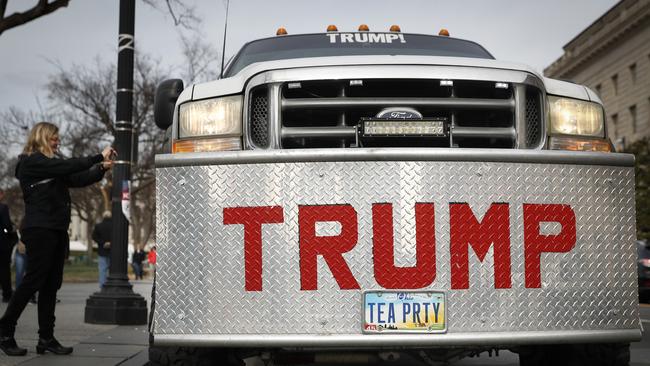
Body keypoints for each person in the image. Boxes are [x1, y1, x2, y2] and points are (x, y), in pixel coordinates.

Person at [0, 122, 115, 357]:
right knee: (33, 281)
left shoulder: (52, 167)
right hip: (40, 229)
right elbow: (67, 166)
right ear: (42, 138)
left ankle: (46, 338)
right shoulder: (31, 162)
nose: (58, 141)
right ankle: (4, 331)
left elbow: (77, 177)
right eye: (54, 138)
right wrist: (96, 156)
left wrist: (101, 168)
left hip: (56, 229)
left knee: (51, 285)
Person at [0, 188, 17, 303]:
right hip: (2, 244)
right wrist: (10, 231)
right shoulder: (3, 208)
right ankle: (7, 294)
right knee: (4, 270)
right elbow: (7, 225)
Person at [92, 211, 112, 289]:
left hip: (102, 250)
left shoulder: (98, 226)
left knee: (102, 270)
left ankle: (102, 286)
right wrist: (110, 243)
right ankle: (110, 285)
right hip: (112, 251)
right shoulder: (114, 226)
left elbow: (94, 237)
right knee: (111, 270)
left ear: (103, 217)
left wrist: (102, 243)